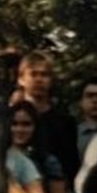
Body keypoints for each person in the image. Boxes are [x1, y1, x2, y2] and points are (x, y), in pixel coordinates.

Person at [14, 51, 81, 179]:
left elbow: (71, 164)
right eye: (33, 74)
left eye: (44, 75)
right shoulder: (9, 118)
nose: (39, 80)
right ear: (21, 79)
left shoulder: (64, 121)